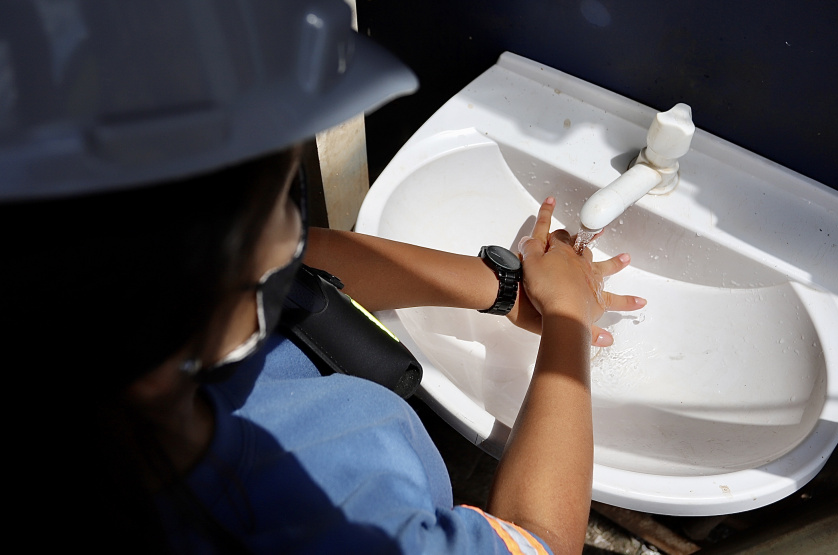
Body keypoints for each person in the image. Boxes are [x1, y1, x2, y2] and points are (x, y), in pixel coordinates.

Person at [0, 1, 645, 553]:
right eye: (283, 199)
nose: (294, 229)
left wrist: (502, 288)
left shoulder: (112, 331)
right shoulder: (340, 513)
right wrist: (567, 319)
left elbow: (309, 261)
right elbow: (541, 539)